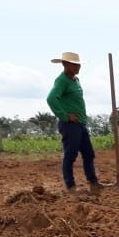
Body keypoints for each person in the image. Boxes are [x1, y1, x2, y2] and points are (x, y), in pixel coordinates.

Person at [46, 52, 103, 193]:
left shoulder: (75, 80)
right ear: (65, 65)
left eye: (79, 64)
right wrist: (65, 116)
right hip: (70, 125)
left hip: (80, 124)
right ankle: (70, 186)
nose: (78, 67)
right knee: (70, 155)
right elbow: (51, 98)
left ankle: (93, 182)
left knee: (88, 153)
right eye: (75, 64)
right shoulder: (62, 80)